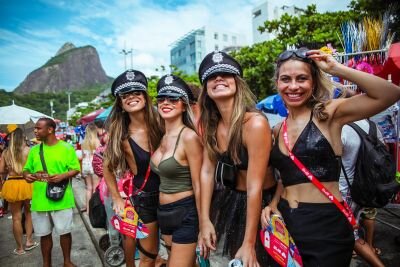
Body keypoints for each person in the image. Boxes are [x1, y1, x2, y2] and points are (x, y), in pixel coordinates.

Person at [261, 47, 400, 266]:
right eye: (286, 79)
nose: (294, 86)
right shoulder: (279, 129)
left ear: (313, 82)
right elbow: (286, 177)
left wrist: (336, 68)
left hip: (326, 225)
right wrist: (274, 204)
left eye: (302, 79)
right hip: (286, 223)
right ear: (277, 83)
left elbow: (390, 93)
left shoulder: (328, 114)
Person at [197, 51, 276, 267]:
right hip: (233, 200)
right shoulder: (212, 125)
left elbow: (255, 188)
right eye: (212, 76)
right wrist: (204, 220)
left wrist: (249, 242)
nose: (219, 78)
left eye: (226, 74)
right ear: (206, 89)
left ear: (237, 83)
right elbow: (206, 172)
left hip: (263, 204)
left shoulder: (255, 124)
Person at [103, 70, 163, 267]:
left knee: (179, 252)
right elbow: (107, 168)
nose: (131, 97)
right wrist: (117, 198)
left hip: (173, 196)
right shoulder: (120, 135)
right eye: (125, 95)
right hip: (144, 199)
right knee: (147, 256)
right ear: (120, 103)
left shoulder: (163, 123)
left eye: (137, 92)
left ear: (145, 96)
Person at [150, 74, 203, 266]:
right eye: (161, 99)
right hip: (164, 213)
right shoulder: (162, 137)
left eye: (173, 99)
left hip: (186, 212)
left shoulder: (189, 137)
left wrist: (204, 223)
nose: (166, 102)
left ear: (183, 105)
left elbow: (199, 184)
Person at [23, 118, 80, 267]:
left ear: (50, 130)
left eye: (38, 128)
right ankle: (46, 264)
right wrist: (27, 175)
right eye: (35, 128)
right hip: (40, 200)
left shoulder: (66, 148)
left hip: (62, 198)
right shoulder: (34, 150)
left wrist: (63, 176)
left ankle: (67, 261)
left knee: (65, 233)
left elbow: (75, 168)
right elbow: (26, 169)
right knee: (44, 235)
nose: (35, 131)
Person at [339, 118, 385, 267]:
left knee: (348, 232)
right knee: (355, 225)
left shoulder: (343, 128)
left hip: (345, 188)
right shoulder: (373, 126)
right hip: (367, 186)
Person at [0, 128, 38, 255]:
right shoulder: (29, 150)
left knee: (16, 217)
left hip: (11, 184)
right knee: (28, 213)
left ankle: (20, 248)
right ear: (23, 138)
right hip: (26, 183)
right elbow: (34, 168)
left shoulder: (6, 152)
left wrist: (9, 168)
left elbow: (1, 171)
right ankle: (29, 241)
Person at [81, 122, 100, 212]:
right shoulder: (97, 142)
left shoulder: (83, 143)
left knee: (88, 188)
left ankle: (88, 210)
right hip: (94, 165)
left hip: (85, 165)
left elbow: (82, 156)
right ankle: (93, 211)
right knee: (95, 189)